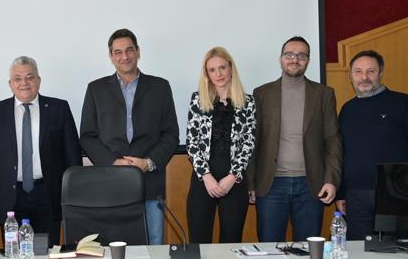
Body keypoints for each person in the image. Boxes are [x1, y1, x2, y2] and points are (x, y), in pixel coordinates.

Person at [80, 29, 179, 245]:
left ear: (138, 52)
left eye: (129, 50)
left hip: (150, 182)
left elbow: (171, 134)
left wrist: (149, 162)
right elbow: (87, 136)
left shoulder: (160, 87)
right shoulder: (96, 89)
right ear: (111, 56)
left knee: (154, 242)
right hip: (111, 181)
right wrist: (113, 162)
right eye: (118, 52)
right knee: (114, 243)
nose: (124, 56)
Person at [0, 56, 81, 246]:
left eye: (29, 77)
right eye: (17, 78)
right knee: (14, 256)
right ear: (10, 84)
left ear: (38, 81)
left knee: (49, 254)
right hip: (9, 197)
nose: (24, 83)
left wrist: (72, 196)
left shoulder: (59, 108)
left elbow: (73, 156)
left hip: (49, 195)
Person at [248, 36, 342, 242]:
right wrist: (250, 183)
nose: (294, 59)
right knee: (270, 252)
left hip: (311, 185)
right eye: (289, 54)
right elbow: (253, 142)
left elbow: (332, 140)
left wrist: (331, 180)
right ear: (280, 59)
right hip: (270, 186)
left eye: (301, 55)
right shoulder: (261, 94)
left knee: (308, 252)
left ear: (308, 60)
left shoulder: (324, 94)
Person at [337, 50, 408, 239]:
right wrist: (341, 192)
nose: (364, 77)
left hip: (398, 193)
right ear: (350, 75)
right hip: (355, 196)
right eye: (358, 71)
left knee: (401, 252)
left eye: (370, 71)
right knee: (359, 254)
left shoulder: (404, 103)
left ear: (381, 72)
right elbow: (340, 153)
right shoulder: (347, 110)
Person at [185, 47, 256, 243]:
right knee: (199, 242)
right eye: (212, 69)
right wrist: (206, 177)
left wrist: (232, 177)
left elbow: (248, 143)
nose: (219, 74)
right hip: (203, 180)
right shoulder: (197, 100)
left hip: (234, 181)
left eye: (222, 67)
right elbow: (192, 142)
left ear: (231, 69)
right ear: (206, 74)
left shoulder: (248, 102)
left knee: (231, 243)